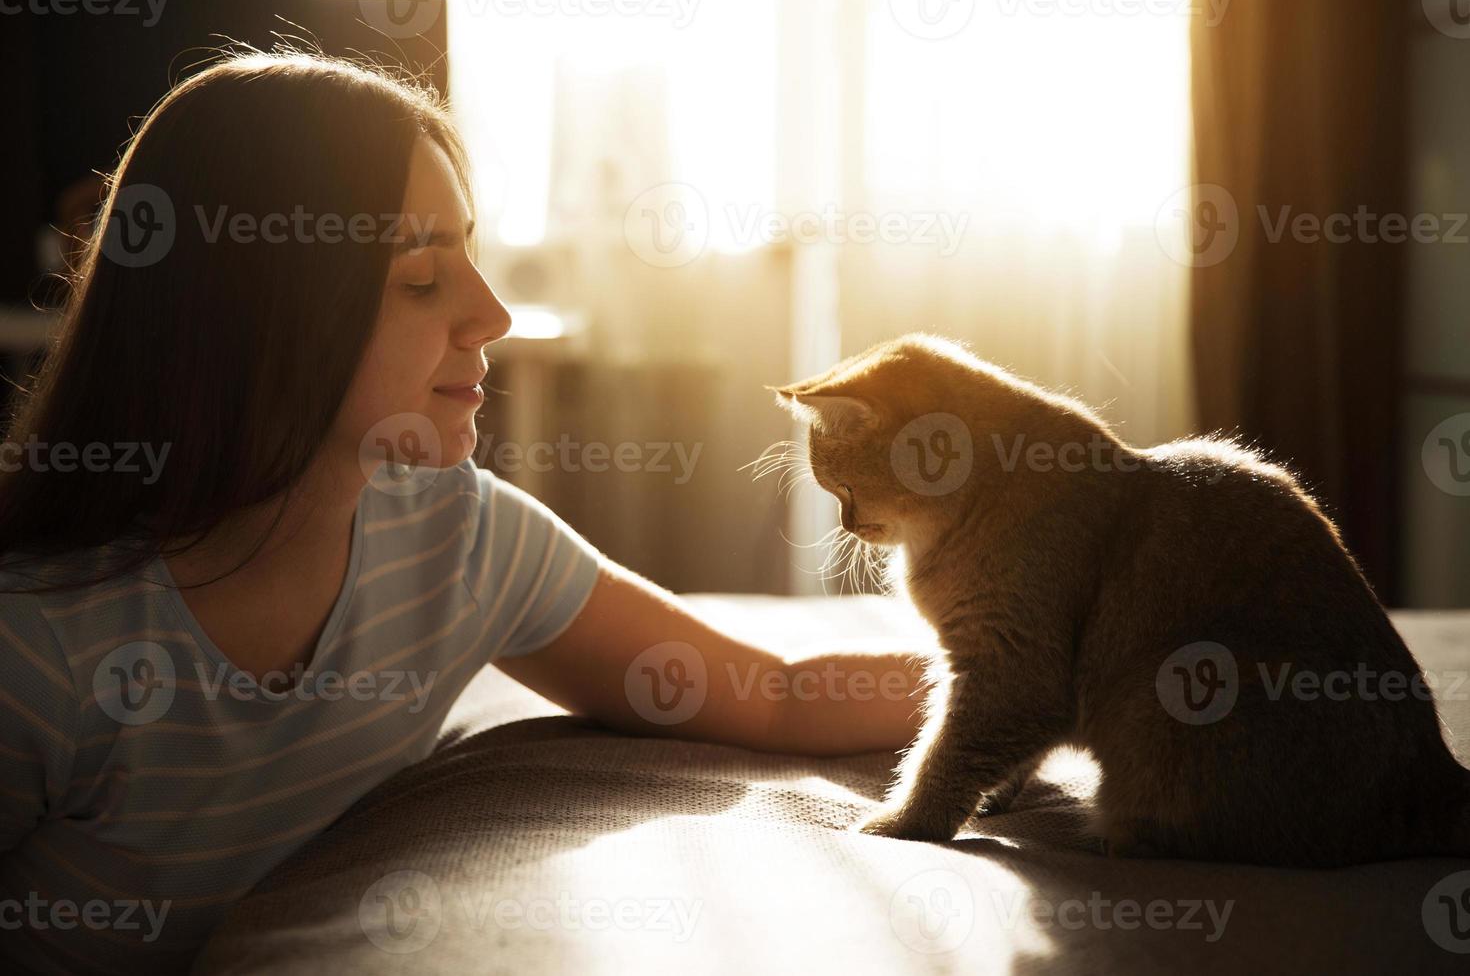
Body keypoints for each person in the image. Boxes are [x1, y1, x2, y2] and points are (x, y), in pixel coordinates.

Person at [0, 52, 930, 972]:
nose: (492, 315)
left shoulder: (452, 535)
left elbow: (770, 693)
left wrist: (1038, 681)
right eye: (420, 279)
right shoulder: (38, 648)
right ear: (257, 311)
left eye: (472, 258)